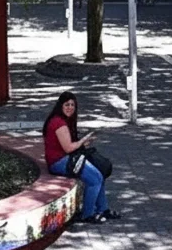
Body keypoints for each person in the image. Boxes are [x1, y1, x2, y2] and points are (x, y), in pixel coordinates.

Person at [43, 91, 119, 223]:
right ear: (60, 105)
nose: (70, 107)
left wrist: (82, 143)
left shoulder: (64, 120)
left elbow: (70, 145)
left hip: (67, 158)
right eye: (67, 104)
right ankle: (87, 214)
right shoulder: (58, 123)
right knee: (95, 179)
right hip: (59, 162)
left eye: (72, 105)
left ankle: (103, 209)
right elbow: (68, 148)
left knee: (99, 173)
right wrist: (82, 141)